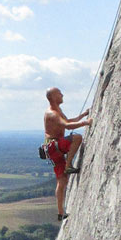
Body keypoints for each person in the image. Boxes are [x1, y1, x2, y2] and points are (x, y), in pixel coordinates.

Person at [43, 87, 91, 221]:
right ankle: (69, 165)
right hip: (55, 146)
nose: (62, 95)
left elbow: (68, 121)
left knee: (62, 180)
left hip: (52, 148)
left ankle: (60, 213)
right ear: (53, 97)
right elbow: (68, 126)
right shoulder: (52, 113)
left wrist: (82, 116)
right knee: (77, 138)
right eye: (59, 93)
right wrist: (85, 123)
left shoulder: (56, 111)